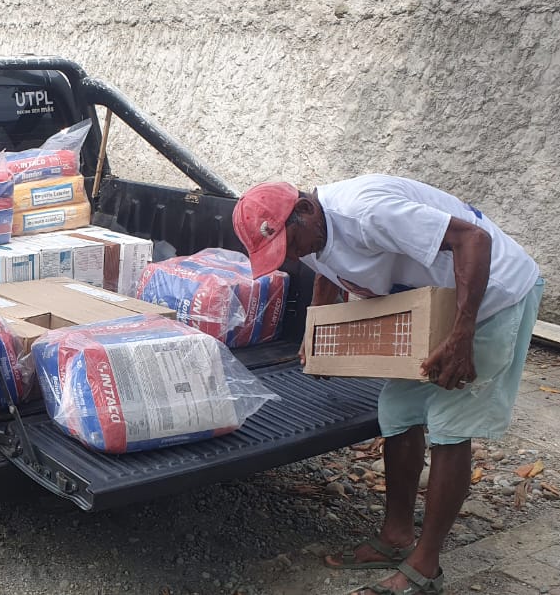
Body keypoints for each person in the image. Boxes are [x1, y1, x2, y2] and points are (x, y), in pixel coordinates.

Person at [232, 175, 543, 595]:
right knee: (397, 411)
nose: (292, 256)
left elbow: (473, 240)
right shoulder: (309, 231)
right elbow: (327, 270)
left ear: (305, 210)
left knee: (450, 424)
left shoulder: (367, 213)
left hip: (491, 297)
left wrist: (461, 335)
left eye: (290, 245)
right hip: (435, 301)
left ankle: (425, 567)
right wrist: (316, 330)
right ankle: (396, 536)